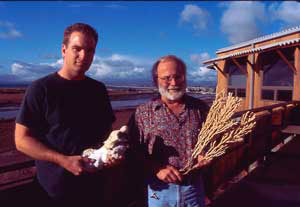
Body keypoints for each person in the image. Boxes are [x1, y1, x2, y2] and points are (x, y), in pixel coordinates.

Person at [15, 23, 117, 206]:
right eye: (77, 49)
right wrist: (63, 160)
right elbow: (21, 140)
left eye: (90, 50)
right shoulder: (41, 89)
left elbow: (106, 134)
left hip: (95, 190)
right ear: (63, 50)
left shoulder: (98, 90)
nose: (83, 56)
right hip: (54, 193)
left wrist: (113, 152)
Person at [127, 55, 211, 207]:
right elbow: (131, 151)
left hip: (194, 189)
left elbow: (213, 138)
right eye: (166, 78)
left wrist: (207, 153)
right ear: (156, 80)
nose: (173, 83)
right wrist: (156, 168)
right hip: (159, 191)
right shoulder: (143, 113)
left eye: (178, 76)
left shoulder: (201, 109)